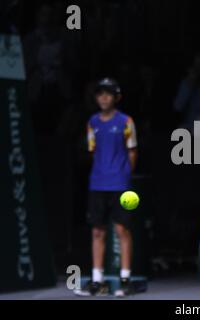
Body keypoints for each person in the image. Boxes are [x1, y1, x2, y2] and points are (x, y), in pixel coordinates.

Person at [75, 78, 138, 297]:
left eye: (108, 93)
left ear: (116, 97)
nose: (103, 97)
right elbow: (93, 151)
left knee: (122, 230)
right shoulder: (92, 122)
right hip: (97, 183)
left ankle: (125, 279)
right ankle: (97, 281)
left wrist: (123, 175)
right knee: (97, 231)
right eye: (99, 93)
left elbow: (132, 151)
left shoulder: (126, 121)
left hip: (120, 183)